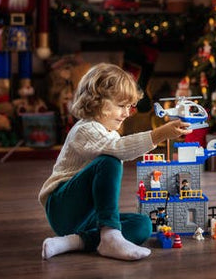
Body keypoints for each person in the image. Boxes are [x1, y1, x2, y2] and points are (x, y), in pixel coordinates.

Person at [38, 63, 192, 261]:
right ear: (97, 101)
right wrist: (160, 134)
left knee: (143, 225)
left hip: (88, 217)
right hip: (63, 207)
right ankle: (110, 235)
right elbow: (118, 149)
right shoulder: (85, 129)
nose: (127, 113)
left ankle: (74, 242)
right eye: (121, 106)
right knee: (109, 161)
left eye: (129, 107)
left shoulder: (105, 133)